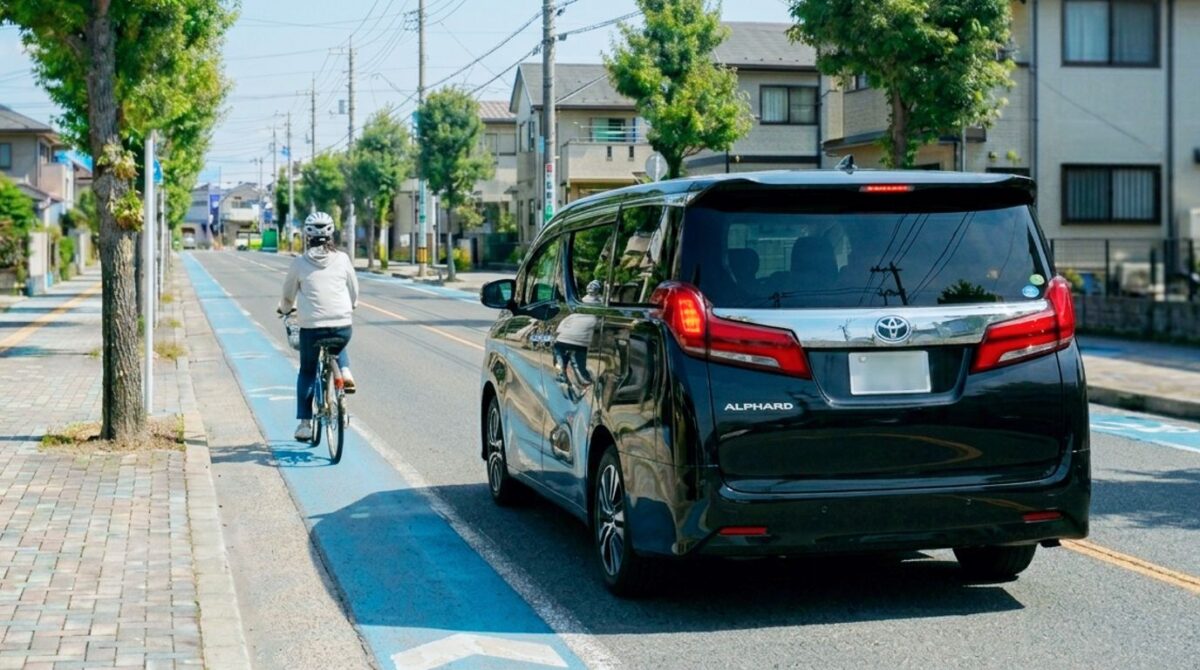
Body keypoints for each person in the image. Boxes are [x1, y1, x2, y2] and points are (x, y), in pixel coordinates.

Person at [278, 212, 359, 442]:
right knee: (337, 338)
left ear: (307, 236)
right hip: (342, 325)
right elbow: (354, 289)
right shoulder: (343, 259)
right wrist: (352, 304)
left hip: (312, 329)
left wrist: (285, 309)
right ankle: (344, 371)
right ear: (332, 235)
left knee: (307, 371)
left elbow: (288, 295)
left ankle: (305, 424)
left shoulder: (299, 263)